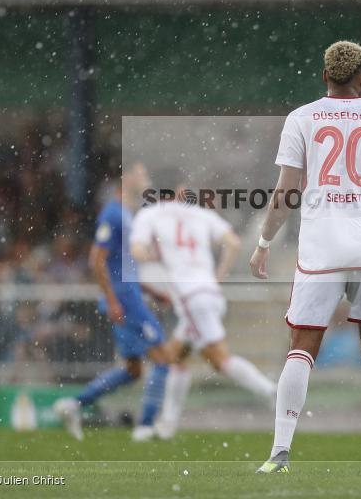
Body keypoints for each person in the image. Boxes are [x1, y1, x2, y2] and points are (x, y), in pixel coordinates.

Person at [249, 41, 361, 474]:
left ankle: (280, 453)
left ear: (324, 75)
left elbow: (286, 191)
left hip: (323, 247)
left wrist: (264, 242)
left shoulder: (302, 118)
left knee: (302, 347)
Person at [129, 187, 276, 440]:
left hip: (190, 297)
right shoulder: (199, 214)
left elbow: (137, 251)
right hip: (209, 293)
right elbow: (233, 242)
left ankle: (272, 392)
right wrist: (218, 276)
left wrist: (160, 256)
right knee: (174, 356)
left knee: (220, 359)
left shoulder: (151, 214)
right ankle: (166, 426)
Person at [54, 163, 170, 442]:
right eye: (141, 174)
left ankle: (74, 404)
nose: (146, 179)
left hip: (130, 295)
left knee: (133, 370)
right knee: (163, 359)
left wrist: (151, 291)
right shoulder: (112, 213)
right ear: (126, 178)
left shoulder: (128, 214)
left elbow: (123, 265)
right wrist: (112, 299)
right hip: (125, 300)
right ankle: (145, 427)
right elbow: (97, 259)